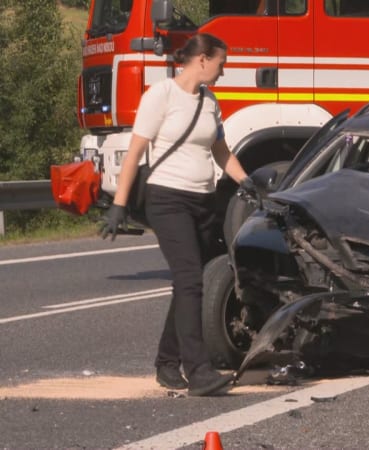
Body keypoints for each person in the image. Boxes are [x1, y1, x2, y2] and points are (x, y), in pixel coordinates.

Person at [98, 33, 257, 396]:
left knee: (189, 283)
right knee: (190, 281)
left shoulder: (209, 101)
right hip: (168, 200)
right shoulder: (161, 96)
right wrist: (119, 204)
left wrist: (248, 182)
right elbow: (136, 151)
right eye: (221, 63)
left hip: (204, 201)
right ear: (202, 59)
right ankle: (198, 370)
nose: (224, 71)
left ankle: (167, 363)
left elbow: (221, 151)